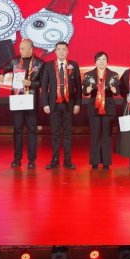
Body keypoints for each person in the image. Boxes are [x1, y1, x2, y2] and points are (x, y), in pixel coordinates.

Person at [0, 38, 44, 169]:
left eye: (23, 48)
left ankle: (31, 160)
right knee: (17, 130)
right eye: (20, 48)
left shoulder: (40, 63)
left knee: (32, 130)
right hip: (17, 100)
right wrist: (1, 74)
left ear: (31, 49)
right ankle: (17, 159)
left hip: (31, 101)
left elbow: (43, 82)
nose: (20, 51)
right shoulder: (15, 60)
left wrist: (31, 83)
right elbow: (3, 68)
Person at [40, 41, 82, 169]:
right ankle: (55, 160)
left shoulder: (73, 65)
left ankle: (68, 160)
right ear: (55, 51)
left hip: (69, 104)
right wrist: (45, 103)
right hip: (54, 104)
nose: (61, 52)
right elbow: (44, 86)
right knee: (55, 134)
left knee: (68, 133)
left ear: (67, 51)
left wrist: (78, 103)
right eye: (59, 49)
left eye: (64, 49)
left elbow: (78, 86)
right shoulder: (48, 66)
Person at [82, 51, 120, 170]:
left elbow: (117, 92)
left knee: (107, 135)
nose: (101, 62)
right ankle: (95, 161)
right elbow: (84, 92)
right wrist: (88, 89)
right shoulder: (88, 75)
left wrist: (114, 90)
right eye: (99, 59)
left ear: (107, 61)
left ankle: (106, 162)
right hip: (94, 107)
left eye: (104, 59)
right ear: (95, 62)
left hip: (108, 108)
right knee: (95, 135)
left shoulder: (113, 75)